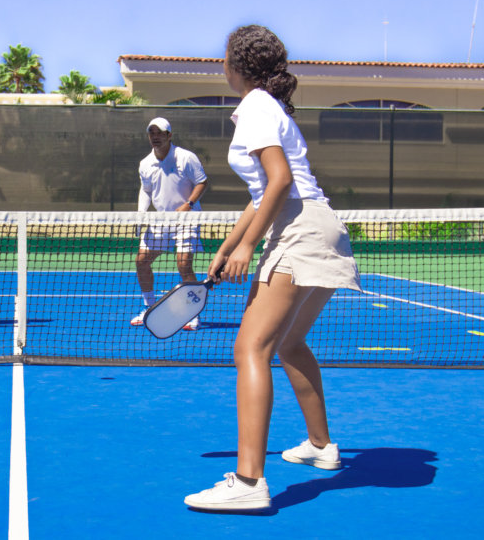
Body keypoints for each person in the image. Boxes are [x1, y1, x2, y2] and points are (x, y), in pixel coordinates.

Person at [183, 26, 360, 511]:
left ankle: (248, 481)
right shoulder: (268, 106)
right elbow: (262, 193)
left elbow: (279, 181)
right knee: (289, 343)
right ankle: (321, 447)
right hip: (321, 227)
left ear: (236, 65)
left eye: (223, 58)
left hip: (298, 229)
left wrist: (250, 247)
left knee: (250, 348)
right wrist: (227, 247)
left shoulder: (256, 106)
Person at [132, 116, 208, 328]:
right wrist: (141, 214)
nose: (155, 137)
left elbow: (202, 182)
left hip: (187, 218)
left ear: (169, 135)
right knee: (141, 261)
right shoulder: (145, 164)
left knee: (184, 264)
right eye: (152, 133)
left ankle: (193, 313)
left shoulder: (186, 158)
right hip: (160, 220)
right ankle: (149, 307)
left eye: (159, 133)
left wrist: (189, 204)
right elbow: (146, 191)